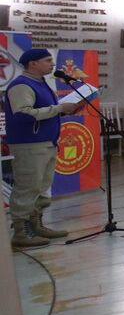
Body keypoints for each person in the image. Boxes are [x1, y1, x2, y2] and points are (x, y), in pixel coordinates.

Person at [4, 49, 79, 248]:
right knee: (28, 187)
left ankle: (36, 224)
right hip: (29, 144)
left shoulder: (41, 84)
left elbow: (44, 112)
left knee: (42, 187)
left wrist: (62, 112)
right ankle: (21, 232)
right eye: (47, 60)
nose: (52, 64)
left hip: (46, 142)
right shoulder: (21, 85)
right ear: (32, 63)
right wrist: (59, 109)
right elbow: (23, 114)